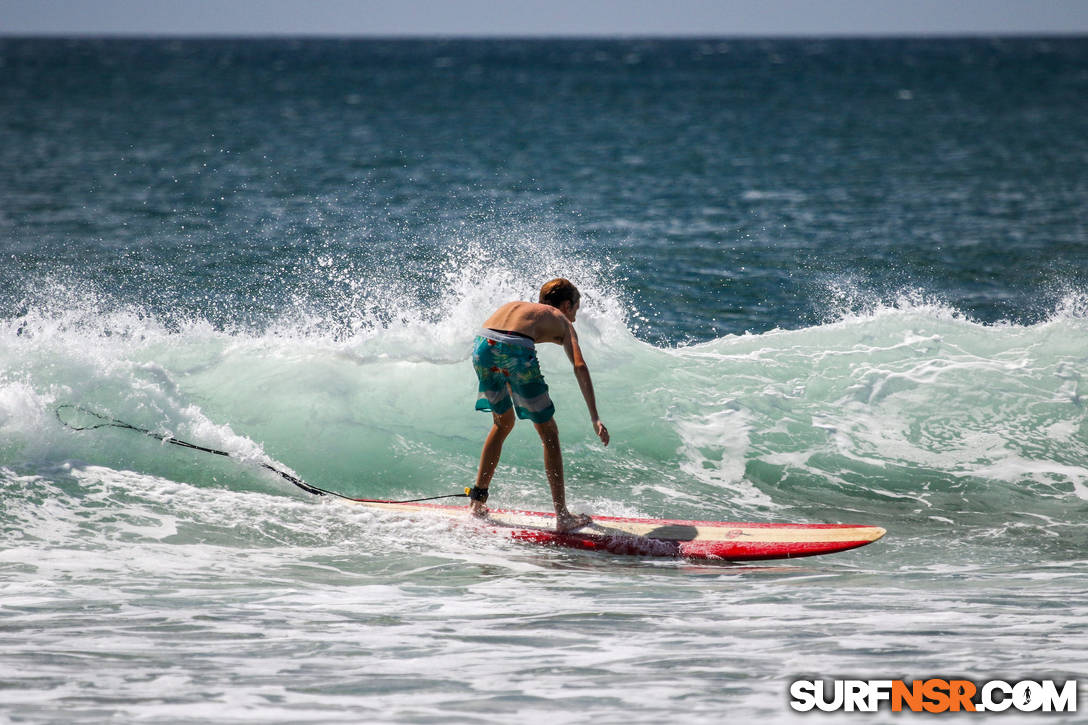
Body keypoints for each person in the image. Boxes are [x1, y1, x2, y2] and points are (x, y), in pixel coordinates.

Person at [469, 278, 609, 533]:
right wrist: (595, 416)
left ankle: (477, 502)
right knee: (549, 434)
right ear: (567, 305)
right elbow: (579, 366)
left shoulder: (521, 308)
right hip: (515, 349)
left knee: (503, 423)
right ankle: (562, 516)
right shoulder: (562, 320)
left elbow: (501, 339)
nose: (575, 317)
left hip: (482, 346)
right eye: (576, 309)